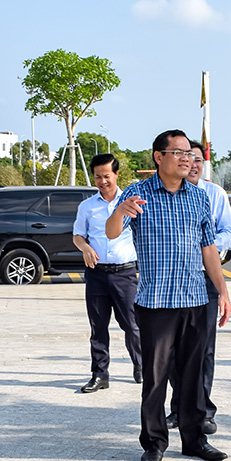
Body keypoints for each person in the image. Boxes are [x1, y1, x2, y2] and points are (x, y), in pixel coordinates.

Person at [107, 129, 231, 461]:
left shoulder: (197, 197)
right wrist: (121, 211)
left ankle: (194, 441)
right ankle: (154, 443)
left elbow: (209, 249)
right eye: (177, 153)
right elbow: (112, 231)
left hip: (194, 299)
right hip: (156, 303)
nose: (186, 159)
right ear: (159, 157)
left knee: (193, 376)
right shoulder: (137, 194)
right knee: (156, 378)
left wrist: (222, 291)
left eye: (189, 154)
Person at [166, 140, 231, 434]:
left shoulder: (214, 194)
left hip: (205, 281)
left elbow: (229, 231)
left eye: (197, 159)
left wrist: (207, 246)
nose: (192, 164)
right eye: (186, 157)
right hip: (172, 282)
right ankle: (178, 409)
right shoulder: (167, 194)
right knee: (170, 351)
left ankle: (203, 410)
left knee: (203, 349)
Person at [72, 153, 142, 393]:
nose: (102, 181)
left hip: (125, 274)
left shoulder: (131, 202)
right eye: (98, 177)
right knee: (98, 326)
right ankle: (100, 375)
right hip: (97, 274)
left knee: (132, 325)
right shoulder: (87, 206)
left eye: (107, 176)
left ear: (116, 174)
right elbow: (78, 235)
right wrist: (85, 247)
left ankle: (141, 366)